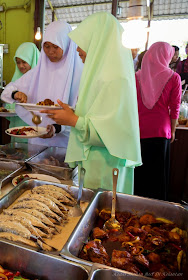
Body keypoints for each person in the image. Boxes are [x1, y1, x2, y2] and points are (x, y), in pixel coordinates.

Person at [42, 12, 142, 194]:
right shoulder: (100, 75)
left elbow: (112, 133)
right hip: (95, 164)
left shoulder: (115, 79)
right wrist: (72, 113)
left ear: (99, 42)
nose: (78, 50)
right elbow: (98, 116)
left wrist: (72, 120)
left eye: (82, 43)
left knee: (104, 216)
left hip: (106, 167)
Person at [0, 21, 83, 147]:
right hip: (37, 140)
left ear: (67, 44)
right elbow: (8, 90)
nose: (50, 51)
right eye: (47, 46)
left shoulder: (79, 74)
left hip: (66, 143)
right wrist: (16, 94)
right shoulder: (38, 72)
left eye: (55, 47)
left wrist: (56, 128)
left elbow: (81, 114)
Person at [134, 42, 181, 201]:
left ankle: (135, 211)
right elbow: (175, 108)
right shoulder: (174, 77)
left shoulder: (136, 77)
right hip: (161, 132)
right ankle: (157, 215)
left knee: (139, 175)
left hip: (138, 132)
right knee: (158, 176)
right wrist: (173, 131)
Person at [5, 42, 40, 143]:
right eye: (18, 62)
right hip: (18, 126)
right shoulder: (17, 78)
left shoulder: (41, 79)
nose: (21, 66)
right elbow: (8, 99)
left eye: (24, 62)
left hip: (35, 126)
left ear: (33, 59)